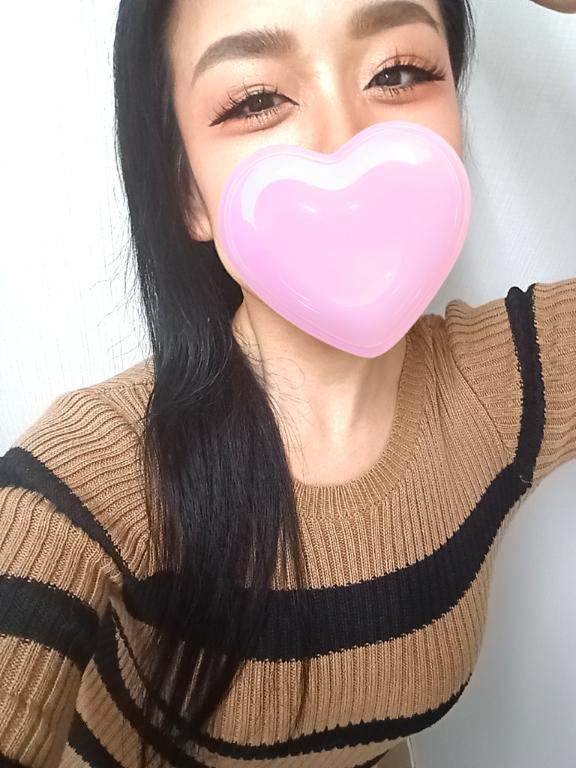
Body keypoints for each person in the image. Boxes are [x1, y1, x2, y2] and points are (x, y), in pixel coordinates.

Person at [0, 1, 574, 767]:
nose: (346, 140)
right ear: (187, 191)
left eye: (399, 72)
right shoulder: (90, 477)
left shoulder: (509, 380)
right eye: (257, 99)